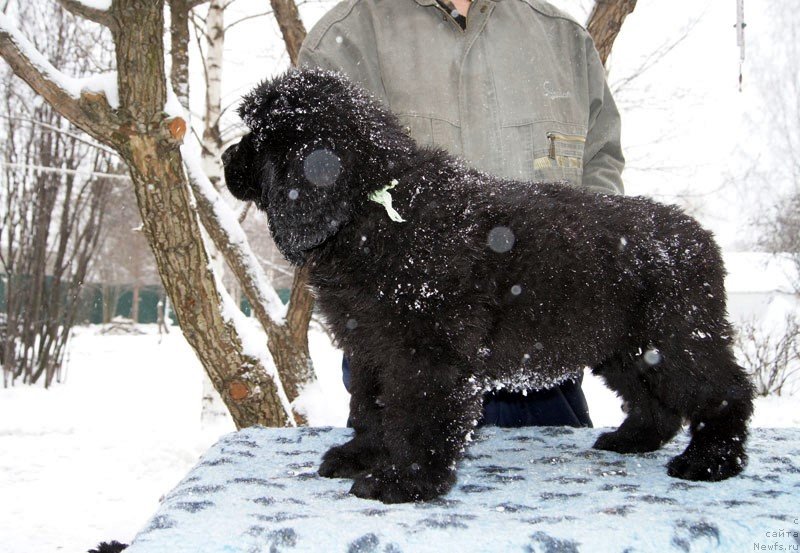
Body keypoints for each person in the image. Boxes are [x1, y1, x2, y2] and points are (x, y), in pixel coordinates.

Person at [297, 0, 625, 428]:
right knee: (408, 485)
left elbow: (600, 163)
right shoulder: (342, 41)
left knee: (557, 493)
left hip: (542, 370)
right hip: (407, 368)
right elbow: (314, 190)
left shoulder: (562, 38)